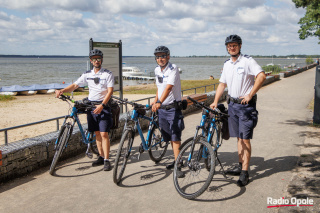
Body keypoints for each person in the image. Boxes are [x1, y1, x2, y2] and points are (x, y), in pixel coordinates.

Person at [210, 35, 266, 187]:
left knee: (245, 138)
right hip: (232, 106)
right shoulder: (227, 64)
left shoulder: (247, 61)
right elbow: (222, 84)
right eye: (229, 46)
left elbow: (261, 76)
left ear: (240, 46)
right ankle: (240, 165)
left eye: (234, 45)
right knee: (238, 138)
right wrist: (215, 102)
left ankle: (245, 173)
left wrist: (250, 94)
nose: (231, 48)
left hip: (245, 107)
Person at [55, 49, 114, 171]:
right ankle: (101, 157)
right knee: (97, 133)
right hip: (91, 107)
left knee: (104, 134)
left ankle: (107, 160)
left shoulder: (108, 74)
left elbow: (110, 91)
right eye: (94, 59)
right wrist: (62, 90)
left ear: (101, 60)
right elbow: (75, 85)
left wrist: (102, 105)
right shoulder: (87, 74)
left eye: (98, 58)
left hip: (103, 106)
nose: (96, 61)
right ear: (91, 61)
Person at [151, 46, 185, 178]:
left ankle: (179, 164)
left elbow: (169, 87)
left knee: (175, 136)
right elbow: (159, 88)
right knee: (169, 137)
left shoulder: (173, 69)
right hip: (162, 109)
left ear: (168, 57)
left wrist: (159, 102)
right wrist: (155, 101)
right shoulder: (156, 70)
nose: (160, 59)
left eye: (163, 56)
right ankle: (177, 159)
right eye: (158, 56)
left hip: (173, 108)